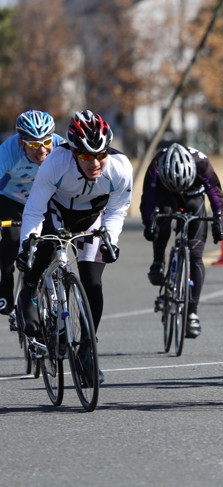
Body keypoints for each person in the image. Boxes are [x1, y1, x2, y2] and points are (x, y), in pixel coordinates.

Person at [15, 110, 133, 383]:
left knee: (93, 282)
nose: (95, 163)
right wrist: (26, 247)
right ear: (73, 153)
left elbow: (118, 210)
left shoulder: (120, 167)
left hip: (92, 218)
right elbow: (34, 211)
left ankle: (87, 350)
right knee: (40, 253)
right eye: (86, 156)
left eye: (100, 155)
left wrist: (111, 240)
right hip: (55, 213)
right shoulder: (55, 164)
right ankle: (30, 292)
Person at [139, 143, 223, 339]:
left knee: (196, 255)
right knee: (164, 215)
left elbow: (217, 198)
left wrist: (219, 223)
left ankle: (192, 312)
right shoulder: (157, 165)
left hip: (194, 198)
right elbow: (148, 199)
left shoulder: (202, 164)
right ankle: (158, 261)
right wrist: (149, 224)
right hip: (166, 196)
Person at [0, 110, 65, 316]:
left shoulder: (62, 147)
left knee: (54, 238)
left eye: (46, 142)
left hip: (44, 199)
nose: (42, 150)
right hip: (12, 198)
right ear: (22, 144)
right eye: (34, 145)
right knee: (12, 237)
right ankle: (6, 285)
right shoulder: (8, 151)